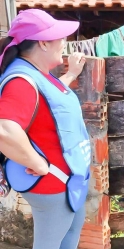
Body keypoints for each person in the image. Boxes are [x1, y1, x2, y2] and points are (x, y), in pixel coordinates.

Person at [0, 9, 91, 249]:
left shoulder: (37, 73)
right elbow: (4, 130)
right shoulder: (21, 80)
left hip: (68, 180)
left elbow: (49, 104)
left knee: (69, 236)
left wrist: (70, 74)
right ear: (42, 42)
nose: (64, 43)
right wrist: (38, 163)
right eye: (60, 38)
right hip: (51, 184)